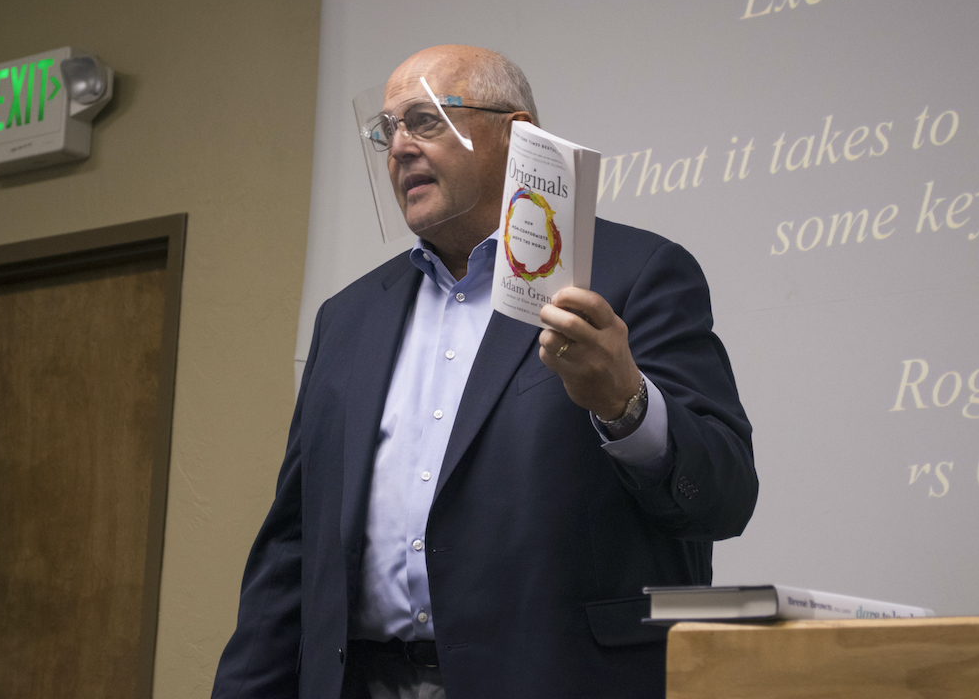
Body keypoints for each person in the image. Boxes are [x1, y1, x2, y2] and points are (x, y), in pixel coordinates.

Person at [211, 45, 758, 699]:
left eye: (426, 120)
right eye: (388, 131)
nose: (399, 149)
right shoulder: (348, 318)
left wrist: (626, 404)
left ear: (517, 133)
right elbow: (293, 547)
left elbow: (724, 495)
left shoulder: (631, 275)